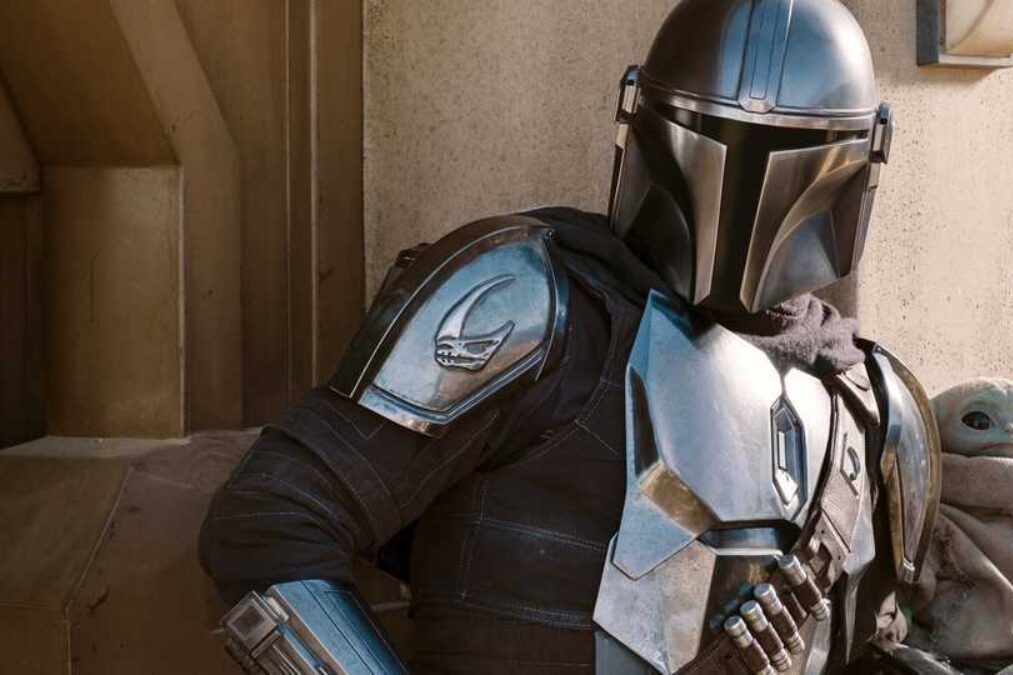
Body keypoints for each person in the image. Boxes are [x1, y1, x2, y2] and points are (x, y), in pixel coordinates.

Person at [199, 1, 939, 673]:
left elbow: (872, 649)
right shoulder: (525, 306)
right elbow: (269, 526)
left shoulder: (876, 412)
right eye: (721, 136)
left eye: (785, 145)